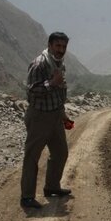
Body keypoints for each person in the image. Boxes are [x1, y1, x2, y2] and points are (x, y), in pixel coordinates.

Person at [20, 32, 72, 209]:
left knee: (60, 153)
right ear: (50, 45)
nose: (61, 50)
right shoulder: (40, 64)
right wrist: (52, 83)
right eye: (58, 46)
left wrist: (63, 115)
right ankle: (27, 197)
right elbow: (31, 92)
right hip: (39, 117)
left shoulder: (59, 64)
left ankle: (51, 187)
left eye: (64, 47)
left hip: (55, 116)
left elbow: (59, 92)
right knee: (32, 157)